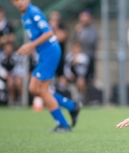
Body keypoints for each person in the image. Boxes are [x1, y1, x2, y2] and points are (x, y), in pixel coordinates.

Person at [12, 0, 81, 132]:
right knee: (33, 88)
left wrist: (30, 45)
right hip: (43, 54)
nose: (19, 2)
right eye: (15, 0)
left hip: (50, 52)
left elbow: (49, 33)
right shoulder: (24, 14)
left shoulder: (33, 11)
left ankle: (63, 125)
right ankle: (71, 106)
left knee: (43, 90)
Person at [74, 9, 97, 81]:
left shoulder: (92, 29)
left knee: (89, 80)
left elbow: (91, 42)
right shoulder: (79, 29)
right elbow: (74, 42)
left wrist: (82, 39)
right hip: (79, 59)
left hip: (89, 57)